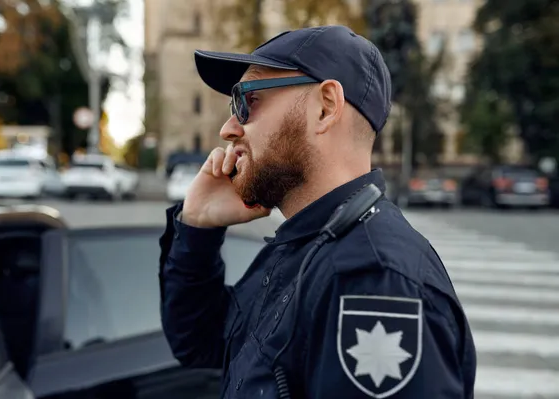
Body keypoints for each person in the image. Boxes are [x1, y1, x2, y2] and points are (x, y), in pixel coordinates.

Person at [159, 25, 476, 398]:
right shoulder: (302, 245)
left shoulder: (374, 281)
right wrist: (197, 227)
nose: (228, 128)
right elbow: (199, 343)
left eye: (245, 101)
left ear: (326, 107)